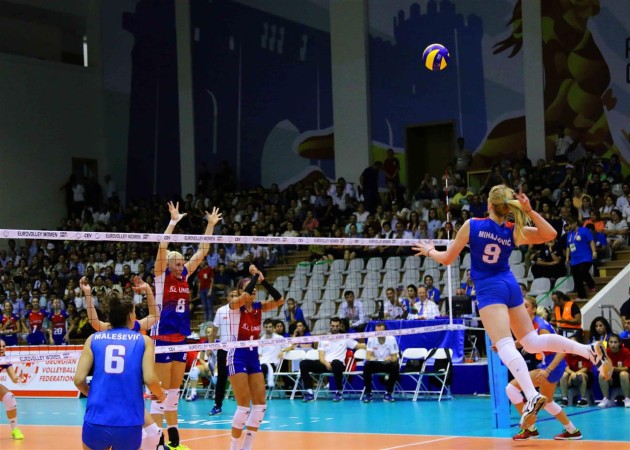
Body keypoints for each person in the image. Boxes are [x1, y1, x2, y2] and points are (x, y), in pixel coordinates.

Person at [412, 185, 612, 430]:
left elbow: (447, 258)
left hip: (489, 289)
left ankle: (532, 395)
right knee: (532, 342)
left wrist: (429, 250)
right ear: (507, 208)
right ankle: (588, 350)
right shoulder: (512, 230)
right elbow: (550, 234)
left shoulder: (472, 225)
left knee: (504, 345)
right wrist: (529, 210)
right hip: (510, 284)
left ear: (489, 205)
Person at [151, 202, 221, 450]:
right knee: (159, 394)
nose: (182, 265)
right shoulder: (162, 276)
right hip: (162, 339)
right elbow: (162, 247)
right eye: (177, 262)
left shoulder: (184, 276)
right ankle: (155, 442)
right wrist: (173, 222)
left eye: (182, 262)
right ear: (169, 264)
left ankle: (174, 441)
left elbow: (202, 251)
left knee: (173, 392)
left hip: (180, 338)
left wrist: (210, 226)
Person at [80, 276, 164, 450]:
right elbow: (155, 315)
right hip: (127, 411)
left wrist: (88, 294)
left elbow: (94, 322)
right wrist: (147, 290)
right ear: (130, 315)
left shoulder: (102, 334)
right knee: (150, 432)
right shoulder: (140, 335)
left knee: (153, 432)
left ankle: (157, 440)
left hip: (101, 411)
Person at [227, 265, 285, 450]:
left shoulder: (259, 307)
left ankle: (247, 447)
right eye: (249, 288)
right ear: (241, 291)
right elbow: (243, 296)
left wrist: (263, 280)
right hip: (237, 356)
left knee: (260, 405)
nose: (253, 291)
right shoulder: (234, 306)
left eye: (255, 289)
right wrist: (253, 277)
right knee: (243, 407)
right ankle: (234, 447)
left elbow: (279, 299)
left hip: (253, 356)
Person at [508, 297, 582, 441]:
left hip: (551, 366)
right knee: (547, 402)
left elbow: (562, 350)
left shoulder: (541, 327)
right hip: (548, 365)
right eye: (520, 306)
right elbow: (523, 342)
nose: (522, 309)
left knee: (511, 389)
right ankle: (572, 430)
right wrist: (504, 346)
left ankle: (529, 428)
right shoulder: (530, 324)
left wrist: (548, 370)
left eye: (526, 306)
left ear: (533, 309)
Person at [300, 317, 366, 403]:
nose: (335, 328)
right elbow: (321, 357)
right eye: (333, 326)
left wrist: (373, 345)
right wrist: (326, 363)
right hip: (325, 364)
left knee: (336, 362)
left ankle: (339, 392)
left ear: (340, 326)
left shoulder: (345, 338)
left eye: (337, 326)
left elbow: (360, 346)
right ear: (330, 326)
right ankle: (309, 393)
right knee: (303, 363)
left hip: (338, 365)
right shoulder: (324, 339)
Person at [207, 289, 238, 416]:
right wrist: (210, 346)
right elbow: (214, 330)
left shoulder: (242, 310)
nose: (235, 297)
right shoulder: (221, 311)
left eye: (237, 295)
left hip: (239, 349)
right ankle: (217, 405)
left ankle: (245, 406)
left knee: (241, 376)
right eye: (232, 295)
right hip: (223, 349)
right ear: (228, 298)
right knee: (221, 378)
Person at [362, 322, 399, 403]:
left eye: (382, 330)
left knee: (396, 366)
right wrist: (378, 359)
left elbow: (395, 358)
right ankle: (368, 393)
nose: (380, 332)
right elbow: (368, 357)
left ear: (385, 331)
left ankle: (388, 393)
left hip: (388, 363)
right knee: (367, 365)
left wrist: (389, 359)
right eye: (378, 331)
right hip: (377, 363)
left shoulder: (391, 339)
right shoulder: (371, 339)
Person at [565, 216, 597, 301]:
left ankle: (591, 285)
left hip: (585, 257)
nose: (570, 225)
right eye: (568, 224)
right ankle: (582, 295)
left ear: (575, 222)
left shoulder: (584, 230)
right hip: (575, 259)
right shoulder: (569, 234)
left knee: (583, 271)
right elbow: (568, 246)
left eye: (571, 223)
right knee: (576, 277)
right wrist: (567, 257)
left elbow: (591, 241)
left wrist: (594, 252)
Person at [597, 334, 630, 409]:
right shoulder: (606, 352)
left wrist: (612, 368)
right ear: (608, 343)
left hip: (625, 378)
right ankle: (606, 399)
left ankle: (627, 399)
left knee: (623, 374)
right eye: (611, 342)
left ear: (620, 343)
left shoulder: (626, 351)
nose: (613, 344)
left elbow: (626, 368)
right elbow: (602, 366)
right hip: (611, 378)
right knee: (601, 375)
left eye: (615, 342)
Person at [0, 339, 24, 440]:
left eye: (4, 346)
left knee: (9, 397)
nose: (2, 349)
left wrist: (18, 378)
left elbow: (13, 378)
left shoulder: (5, 360)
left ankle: (15, 430)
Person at [559, 335, 593, 407]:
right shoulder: (566, 354)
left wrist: (575, 374)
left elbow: (585, 369)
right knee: (564, 375)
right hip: (572, 375)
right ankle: (564, 399)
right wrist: (572, 374)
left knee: (581, 376)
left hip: (586, 376)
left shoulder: (584, 353)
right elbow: (566, 368)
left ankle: (584, 400)